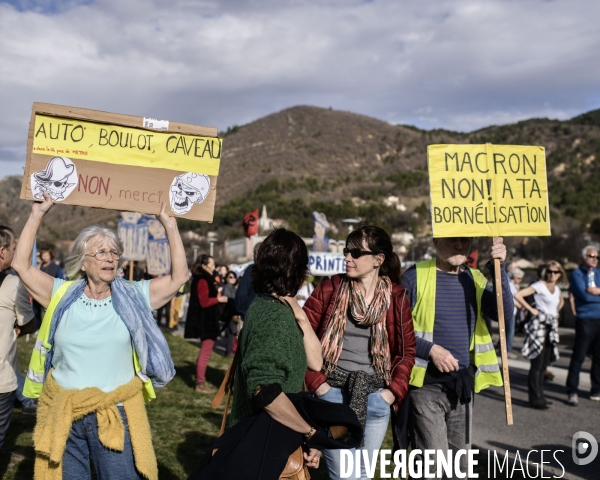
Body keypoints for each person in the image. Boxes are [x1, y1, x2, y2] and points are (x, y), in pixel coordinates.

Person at [13, 194, 187, 479]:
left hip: (113, 414)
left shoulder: (134, 296)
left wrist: (169, 224)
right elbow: (21, 265)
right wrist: (37, 214)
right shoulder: (60, 294)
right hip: (66, 414)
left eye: (114, 252)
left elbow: (178, 277)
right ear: (83, 262)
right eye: (101, 252)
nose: (110, 257)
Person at [303, 225, 416, 480]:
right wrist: (320, 387)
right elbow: (301, 338)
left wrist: (390, 394)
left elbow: (407, 352)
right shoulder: (330, 288)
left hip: (376, 397)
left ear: (378, 260)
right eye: (346, 251)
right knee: (345, 475)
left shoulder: (396, 297)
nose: (347, 258)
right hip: (333, 395)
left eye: (355, 253)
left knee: (363, 474)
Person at [401, 237, 511, 476]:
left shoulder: (475, 278)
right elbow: (394, 329)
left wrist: (498, 267)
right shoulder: (414, 276)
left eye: (465, 240)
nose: (460, 246)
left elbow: (505, 313)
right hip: (425, 385)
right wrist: (430, 349)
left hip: (462, 386)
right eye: (453, 240)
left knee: (460, 467)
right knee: (434, 465)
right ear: (436, 241)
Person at [229, 228, 323, 469]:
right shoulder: (274, 316)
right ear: (299, 271)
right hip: (261, 444)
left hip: (269, 438)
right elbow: (264, 391)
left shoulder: (276, 308)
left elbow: (316, 363)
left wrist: (301, 316)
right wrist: (309, 432)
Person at [0, 226, 36, 450]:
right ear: (2, 251)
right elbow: (29, 323)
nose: (15, 253)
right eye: (13, 248)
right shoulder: (14, 284)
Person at [516, 260, 566, 409]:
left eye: (555, 272)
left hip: (551, 327)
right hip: (538, 328)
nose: (552, 274)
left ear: (560, 274)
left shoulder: (556, 289)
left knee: (544, 363)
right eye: (549, 271)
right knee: (536, 364)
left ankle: (541, 395)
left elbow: (561, 301)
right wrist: (532, 310)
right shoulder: (539, 285)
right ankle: (535, 398)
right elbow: (519, 295)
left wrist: (556, 311)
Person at [184, 254, 228, 393]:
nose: (214, 267)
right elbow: (204, 302)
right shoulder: (203, 280)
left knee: (205, 352)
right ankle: (200, 383)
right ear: (204, 266)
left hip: (207, 319)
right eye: (212, 264)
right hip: (206, 321)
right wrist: (219, 300)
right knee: (205, 353)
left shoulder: (204, 278)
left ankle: (200, 380)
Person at [566, 245, 600, 405]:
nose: (594, 259)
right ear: (582, 257)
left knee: (599, 357)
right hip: (585, 319)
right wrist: (592, 293)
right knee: (579, 356)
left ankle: (596, 389)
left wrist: (597, 291)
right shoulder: (577, 274)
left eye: (597, 257)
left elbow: (592, 294)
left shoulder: (598, 273)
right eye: (591, 255)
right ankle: (572, 390)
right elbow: (585, 296)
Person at [235, 242, 261, 318]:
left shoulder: (252, 269)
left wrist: (242, 312)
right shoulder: (275, 271)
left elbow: (241, 294)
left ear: (256, 253)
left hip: (251, 315)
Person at [506, 267, 525, 358]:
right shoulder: (510, 285)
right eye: (518, 278)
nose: (520, 280)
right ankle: (507, 351)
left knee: (509, 331)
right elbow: (507, 298)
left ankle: (507, 349)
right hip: (510, 312)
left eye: (521, 278)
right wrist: (518, 304)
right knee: (510, 331)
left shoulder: (514, 285)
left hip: (513, 311)